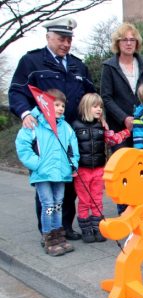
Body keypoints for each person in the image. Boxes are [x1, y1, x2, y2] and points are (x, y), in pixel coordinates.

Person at [9, 17, 94, 241]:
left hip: (70, 134)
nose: (66, 44)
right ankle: (48, 231)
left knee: (68, 186)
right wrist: (25, 113)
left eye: (69, 39)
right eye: (61, 39)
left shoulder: (78, 65)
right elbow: (17, 91)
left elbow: (90, 95)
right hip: (44, 136)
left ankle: (64, 226)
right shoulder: (32, 61)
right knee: (47, 192)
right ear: (48, 37)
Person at [15, 89, 79, 256]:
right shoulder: (34, 124)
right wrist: (37, 164)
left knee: (58, 203)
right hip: (43, 174)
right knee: (48, 205)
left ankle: (58, 235)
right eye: (56, 105)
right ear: (45, 105)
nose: (60, 108)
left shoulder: (65, 127)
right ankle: (48, 237)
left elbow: (73, 148)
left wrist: (73, 165)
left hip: (61, 173)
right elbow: (23, 146)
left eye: (62, 106)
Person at [101, 22, 143, 150]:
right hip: (119, 129)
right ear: (117, 43)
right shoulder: (109, 67)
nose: (129, 43)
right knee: (123, 166)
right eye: (124, 40)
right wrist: (124, 118)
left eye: (132, 40)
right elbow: (106, 98)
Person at [71, 93, 107, 244]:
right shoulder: (75, 126)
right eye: (95, 106)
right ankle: (86, 229)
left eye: (100, 106)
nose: (99, 109)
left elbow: (110, 140)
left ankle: (97, 226)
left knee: (97, 199)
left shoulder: (101, 125)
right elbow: (70, 147)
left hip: (98, 168)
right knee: (85, 200)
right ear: (86, 107)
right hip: (83, 170)